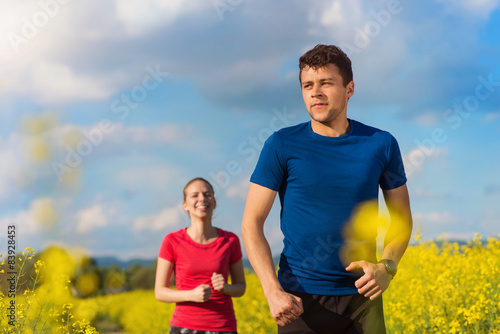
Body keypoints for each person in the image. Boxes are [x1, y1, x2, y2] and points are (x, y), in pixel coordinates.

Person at [241, 44, 413, 334]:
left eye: (326, 83)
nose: (315, 92)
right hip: (299, 301)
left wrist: (387, 267)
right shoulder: (281, 144)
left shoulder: (381, 143)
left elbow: (402, 219)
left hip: (362, 300)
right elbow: (251, 224)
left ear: (350, 89)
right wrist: (273, 292)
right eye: (307, 85)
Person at [155, 177, 246, 334]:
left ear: (214, 203)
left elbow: (241, 287)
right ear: (185, 205)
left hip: (223, 327)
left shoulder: (231, 240)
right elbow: (160, 292)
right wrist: (191, 294)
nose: (202, 199)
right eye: (195, 195)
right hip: (184, 327)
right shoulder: (171, 241)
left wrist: (225, 287)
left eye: (207, 194)